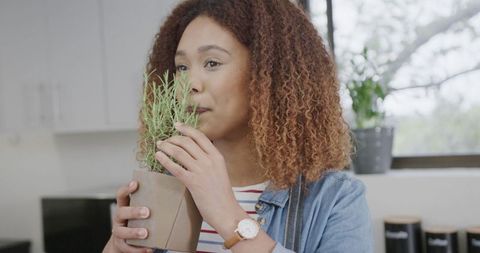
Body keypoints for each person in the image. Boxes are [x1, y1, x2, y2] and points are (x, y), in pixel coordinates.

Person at [103, 0, 373, 252]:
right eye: (181, 68)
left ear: (269, 73)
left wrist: (229, 217)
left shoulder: (335, 199)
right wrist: (117, 247)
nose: (188, 85)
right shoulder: (167, 184)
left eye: (212, 62)